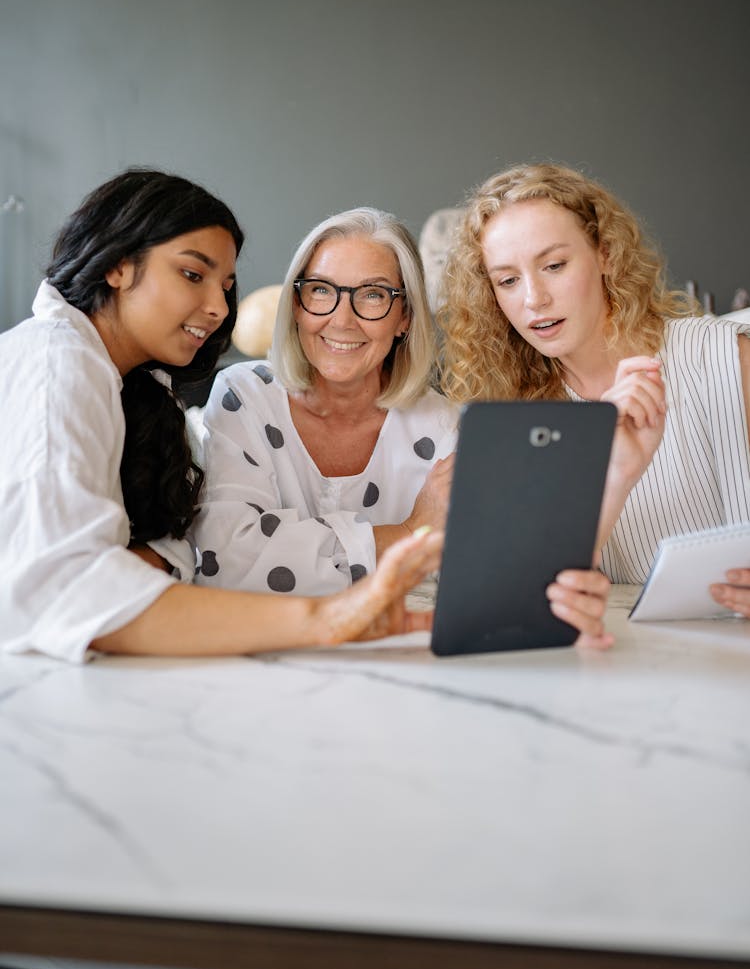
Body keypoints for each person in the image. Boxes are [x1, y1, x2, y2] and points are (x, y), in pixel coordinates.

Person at [0, 171, 446, 664]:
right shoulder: (56, 363)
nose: (217, 308)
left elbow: (172, 554)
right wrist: (329, 618)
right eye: (193, 274)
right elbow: (62, 590)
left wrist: (157, 561)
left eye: (226, 285)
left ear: (406, 316)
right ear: (118, 266)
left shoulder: (138, 387)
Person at [192, 205, 612, 645]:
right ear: (297, 305)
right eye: (320, 290)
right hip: (268, 661)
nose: (341, 318)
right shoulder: (246, 395)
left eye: (372, 295)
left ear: (404, 317)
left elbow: (488, 576)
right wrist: (409, 534)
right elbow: (229, 564)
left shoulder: (444, 424)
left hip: (401, 656)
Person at [438, 162, 750, 612]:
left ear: (605, 254)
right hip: (625, 662)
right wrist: (615, 475)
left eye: (554, 265)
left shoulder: (725, 357)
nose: (534, 299)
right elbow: (529, 597)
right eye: (507, 280)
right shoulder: (513, 415)